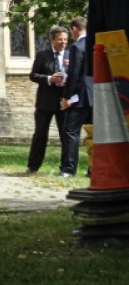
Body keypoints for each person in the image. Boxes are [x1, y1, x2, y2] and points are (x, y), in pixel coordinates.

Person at [26, 26, 70, 173]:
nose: (63, 42)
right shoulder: (42, 55)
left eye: (65, 39)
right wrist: (50, 78)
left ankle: (66, 168)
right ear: (52, 40)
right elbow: (33, 75)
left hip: (64, 100)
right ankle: (33, 166)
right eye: (60, 39)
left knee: (66, 135)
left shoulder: (71, 55)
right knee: (40, 134)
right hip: (45, 101)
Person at [60, 16, 90, 178]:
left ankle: (69, 169)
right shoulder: (95, 44)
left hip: (80, 97)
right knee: (94, 133)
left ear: (75, 29)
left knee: (71, 131)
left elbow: (74, 74)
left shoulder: (77, 47)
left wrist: (66, 96)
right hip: (95, 96)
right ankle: (93, 168)